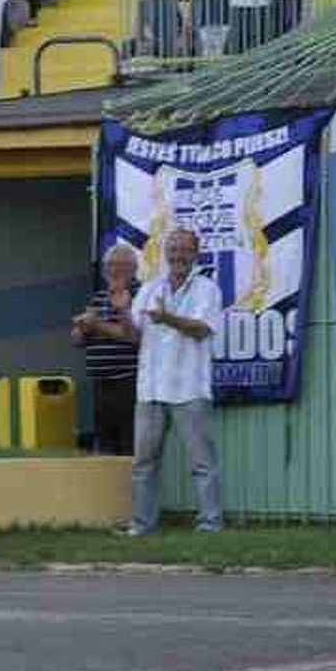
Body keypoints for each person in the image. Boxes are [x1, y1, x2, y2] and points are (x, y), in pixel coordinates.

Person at [124, 228, 222, 535]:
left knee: (202, 463)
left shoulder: (207, 289)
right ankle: (142, 526)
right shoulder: (150, 287)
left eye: (184, 250)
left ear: (195, 254)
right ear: (166, 252)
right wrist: (120, 312)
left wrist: (167, 318)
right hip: (151, 388)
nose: (178, 255)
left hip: (189, 387)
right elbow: (134, 336)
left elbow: (202, 329)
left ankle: (210, 524)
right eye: (173, 249)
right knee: (144, 463)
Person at [71, 243, 141, 455]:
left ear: (133, 269)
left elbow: (131, 336)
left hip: (128, 380)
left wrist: (97, 326)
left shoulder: (140, 294)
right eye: (110, 265)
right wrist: (83, 328)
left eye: (120, 265)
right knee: (106, 444)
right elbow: (76, 340)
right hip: (101, 383)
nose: (114, 270)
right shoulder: (99, 296)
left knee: (128, 442)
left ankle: (129, 487)